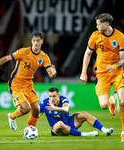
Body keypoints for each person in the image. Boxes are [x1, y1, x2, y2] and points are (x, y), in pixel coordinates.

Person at [0, 31, 56, 131]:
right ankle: (11, 117)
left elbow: (51, 74)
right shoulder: (24, 52)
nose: (35, 43)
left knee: (36, 110)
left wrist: (53, 72)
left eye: (38, 41)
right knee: (26, 108)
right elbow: (5, 58)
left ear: (42, 42)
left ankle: (30, 130)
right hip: (16, 83)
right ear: (31, 41)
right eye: (34, 40)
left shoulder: (44, 57)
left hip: (28, 84)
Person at [80, 13, 124, 142]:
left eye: (98, 24)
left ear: (105, 25)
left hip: (117, 72)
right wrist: (84, 72)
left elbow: (123, 59)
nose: (96, 26)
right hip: (102, 74)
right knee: (104, 105)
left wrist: (115, 66)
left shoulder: (120, 36)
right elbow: (88, 53)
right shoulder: (95, 36)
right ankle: (111, 100)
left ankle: (123, 132)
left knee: (123, 102)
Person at [39, 87, 113, 136]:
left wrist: (55, 108)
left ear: (58, 95)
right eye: (50, 96)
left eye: (54, 96)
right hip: (57, 129)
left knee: (83, 114)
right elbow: (35, 115)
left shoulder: (63, 99)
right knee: (60, 124)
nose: (52, 98)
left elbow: (66, 110)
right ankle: (86, 134)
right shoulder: (44, 104)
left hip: (69, 121)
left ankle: (105, 130)